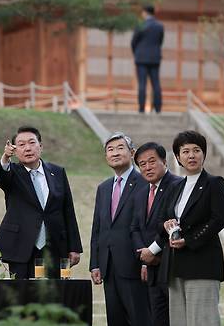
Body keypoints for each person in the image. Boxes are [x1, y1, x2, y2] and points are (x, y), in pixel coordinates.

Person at [157, 130, 224, 326]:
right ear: (178, 157)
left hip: (202, 264)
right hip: (176, 265)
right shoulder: (176, 186)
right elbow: (165, 217)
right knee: (178, 321)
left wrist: (189, 240)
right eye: (185, 151)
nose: (191, 155)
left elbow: (218, 220)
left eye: (196, 150)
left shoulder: (214, 183)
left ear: (203, 154)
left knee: (203, 321)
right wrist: (167, 224)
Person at [0, 126, 82, 279]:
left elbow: (68, 210)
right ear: (14, 150)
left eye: (32, 143)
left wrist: (74, 247)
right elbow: (1, 175)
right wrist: (6, 158)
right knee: (22, 296)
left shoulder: (57, 172)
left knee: (51, 296)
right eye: (21, 144)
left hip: (53, 245)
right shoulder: (12, 172)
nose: (27, 148)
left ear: (41, 146)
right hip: (21, 245)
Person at [90, 131, 150, 326]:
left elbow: (148, 225)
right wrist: (95, 263)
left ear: (132, 152)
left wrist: (146, 261)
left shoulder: (145, 183)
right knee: (115, 320)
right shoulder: (104, 188)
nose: (115, 153)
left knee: (140, 319)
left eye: (120, 148)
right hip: (108, 266)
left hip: (135, 265)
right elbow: (98, 228)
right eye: (110, 149)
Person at [130, 142, 182, 326]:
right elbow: (135, 228)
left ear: (164, 161)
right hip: (151, 270)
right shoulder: (141, 191)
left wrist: (154, 252)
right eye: (142, 164)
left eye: (152, 161)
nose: (147, 167)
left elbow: (175, 224)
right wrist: (144, 256)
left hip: (172, 267)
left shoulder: (177, 185)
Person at [131, 5, 164, 113]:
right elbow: (160, 41)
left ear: (145, 12)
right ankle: (158, 109)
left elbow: (134, 42)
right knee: (156, 84)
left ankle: (141, 108)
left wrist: (137, 53)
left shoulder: (141, 25)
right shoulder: (160, 26)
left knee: (142, 84)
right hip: (155, 58)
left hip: (141, 58)